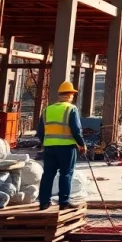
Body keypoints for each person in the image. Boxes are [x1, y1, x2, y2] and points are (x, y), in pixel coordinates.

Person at [37, 81, 87, 210]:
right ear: (70, 95)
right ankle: (64, 202)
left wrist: (45, 143)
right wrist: (82, 144)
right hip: (67, 147)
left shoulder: (47, 110)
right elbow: (76, 130)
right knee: (66, 174)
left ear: (59, 95)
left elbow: (40, 132)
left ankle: (44, 202)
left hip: (49, 148)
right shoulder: (71, 109)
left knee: (48, 174)